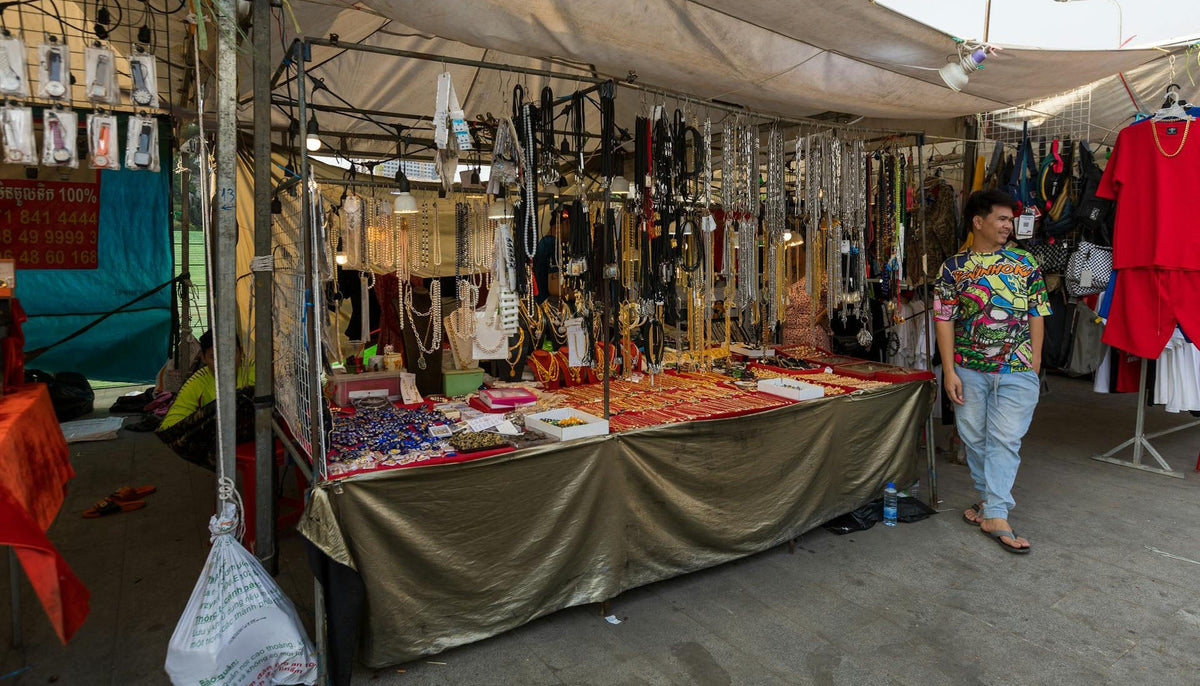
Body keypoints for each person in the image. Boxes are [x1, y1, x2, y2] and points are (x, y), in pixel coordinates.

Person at [934, 189, 1052, 554]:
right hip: (969, 370)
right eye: (1001, 218)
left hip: (1017, 370)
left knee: (1005, 440)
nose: (1008, 225)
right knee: (974, 439)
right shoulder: (953, 268)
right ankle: (990, 503)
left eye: (1010, 219)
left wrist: (1032, 365)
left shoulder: (1025, 262)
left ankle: (996, 514)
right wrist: (949, 372)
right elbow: (943, 320)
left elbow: (1038, 313)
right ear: (978, 221)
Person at [159, 331, 255, 431]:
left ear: (241, 352)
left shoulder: (257, 372)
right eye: (213, 357)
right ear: (203, 358)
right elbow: (169, 426)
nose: (224, 362)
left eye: (230, 353)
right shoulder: (197, 382)